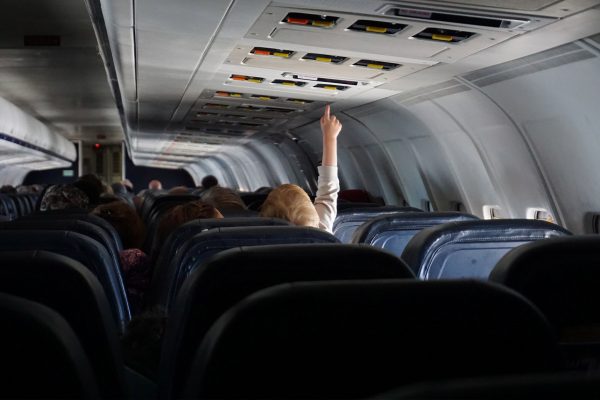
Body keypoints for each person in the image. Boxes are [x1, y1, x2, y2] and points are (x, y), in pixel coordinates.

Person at [260, 105, 341, 233]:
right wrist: (329, 137)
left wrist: (330, 138)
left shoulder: (257, 245)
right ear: (314, 216)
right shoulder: (321, 233)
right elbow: (328, 191)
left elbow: (328, 193)